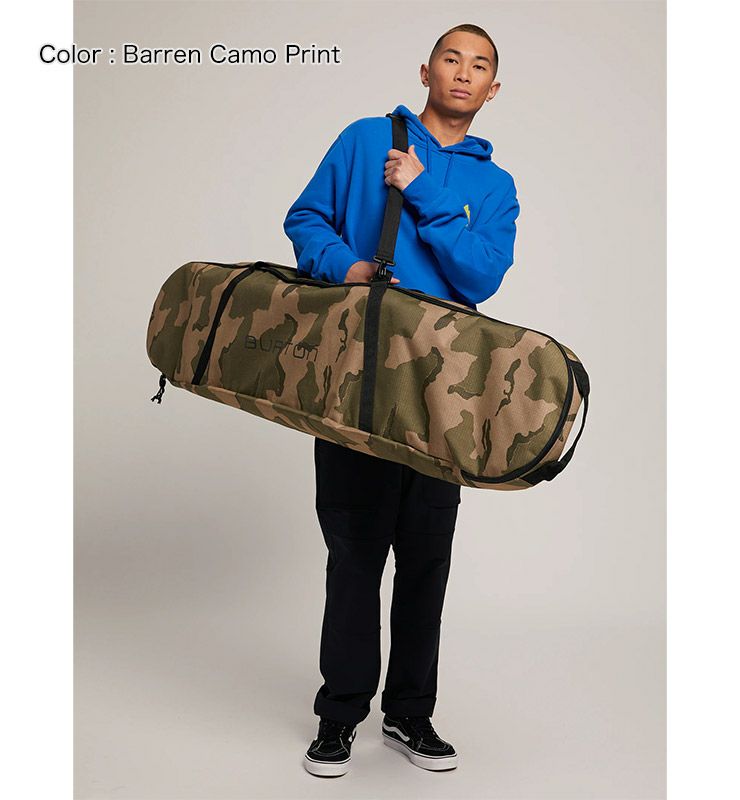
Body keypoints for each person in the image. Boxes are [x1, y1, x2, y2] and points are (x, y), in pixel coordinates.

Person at [282, 23, 519, 777]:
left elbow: (480, 277)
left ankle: (410, 716)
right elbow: (305, 218)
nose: (463, 72)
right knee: (354, 553)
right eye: (452, 58)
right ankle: (338, 717)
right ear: (426, 70)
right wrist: (343, 266)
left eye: (479, 65)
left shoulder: (494, 186)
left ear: (492, 89)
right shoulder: (364, 139)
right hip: (357, 374)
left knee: (425, 559)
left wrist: (424, 191)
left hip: (442, 395)